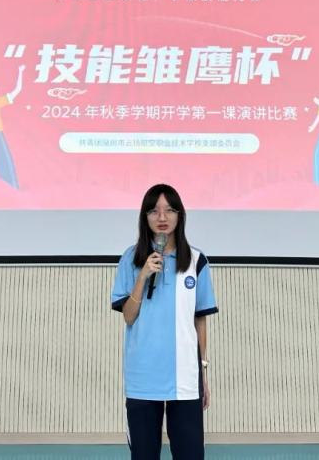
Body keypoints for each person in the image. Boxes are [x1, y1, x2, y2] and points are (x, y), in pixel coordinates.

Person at [111, 184, 218, 460]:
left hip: (185, 376)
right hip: (143, 376)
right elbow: (129, 316)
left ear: (180, 215)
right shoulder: (131, 258)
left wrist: (202, 372)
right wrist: (143, 275)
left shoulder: (196, 260)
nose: (162, 217)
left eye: (170, 210)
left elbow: (200, 320)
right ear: (144, 217)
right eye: (154, 210)